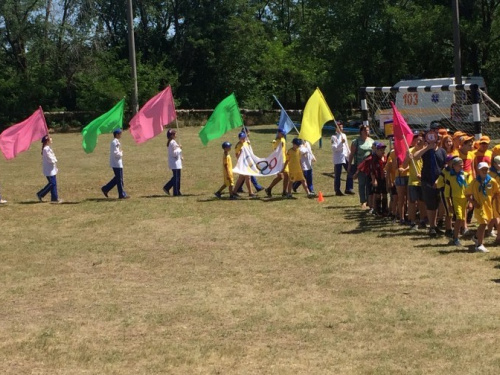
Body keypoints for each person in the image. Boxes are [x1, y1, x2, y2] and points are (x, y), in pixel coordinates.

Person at [413, 128, 447, 237]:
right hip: (427, 180)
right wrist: (427, 147)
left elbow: (444, 166)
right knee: (430, 204)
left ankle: (435, 225)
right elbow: (415, 157)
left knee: (437, 204)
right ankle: (431, 226)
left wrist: (439, 180)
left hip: (439, 181)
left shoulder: (442, 151)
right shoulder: (425, 150)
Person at [466, 162, 500, 252]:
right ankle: (479, 245)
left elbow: (497, 191)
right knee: (483, 224)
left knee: (485, 223)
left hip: (489, 207)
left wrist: (494, 201)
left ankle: (476, 237)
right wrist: (473, 202)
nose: (484, 171)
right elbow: (467, 194)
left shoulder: (492, 181)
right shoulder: (474, 182)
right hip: (479, 207)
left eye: (486, 169)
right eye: (482, 169)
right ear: (478, 170)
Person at [443, 157, 473, 247]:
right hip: (456, 199)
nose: (461, 167)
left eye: (462, 165)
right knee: (459, 218)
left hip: (465, 200)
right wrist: (450, 205)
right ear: (454, 166)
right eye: (459, 165)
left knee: (462, 218)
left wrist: (470, 201)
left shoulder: (466, 175)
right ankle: (456, 238)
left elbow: (470, 189)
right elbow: (447, 193)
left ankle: (455, 237)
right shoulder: (450, 177)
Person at [348, 125, 374, 209]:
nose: (367, 131)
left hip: (369, 166)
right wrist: (349, 165)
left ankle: (369, 201)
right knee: (362, 183)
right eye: (365, 130)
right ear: (361, 131)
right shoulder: (356, 142)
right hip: (360, 166)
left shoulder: (371, 141)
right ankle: (363, 201)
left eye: (368, 130)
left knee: (369, 183)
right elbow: (351, 154)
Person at [102, 129, 128, 199]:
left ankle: (105, 189)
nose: (121, 135)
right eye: (120, 134)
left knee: (118, 178)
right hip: (116, 163)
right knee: (119, 179)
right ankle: (121, 194)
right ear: (117, 134)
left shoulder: (116, 142)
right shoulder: (115, 142)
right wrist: (121, 153)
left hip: (117, 163)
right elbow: (116, 153)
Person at [37, 135, 62, 203]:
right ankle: (40, 194)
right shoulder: (46, 149)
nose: (51, 139)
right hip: (49, 169)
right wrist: (55, 160)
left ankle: (54, 198)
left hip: (52, 169)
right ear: (47, 140)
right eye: (50, 138)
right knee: (52, 183)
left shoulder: (48, 148)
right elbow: (49, 158)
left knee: (54, 183)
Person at [331, 122, 354, 196]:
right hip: (338, 158)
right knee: (338, 174)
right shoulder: (333, 137)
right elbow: (334, 148)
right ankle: (337, 190)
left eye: (342, 127)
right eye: (340, 127)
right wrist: (341, 143)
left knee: (350, 171)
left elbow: (346, 145)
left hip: (345, 157)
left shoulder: (344, 135)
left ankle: (348, 188)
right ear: (336, 128)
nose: (341, 129)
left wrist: (349, 153)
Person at [265, 128, 288, 197]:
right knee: (281, 176)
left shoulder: (283, 139)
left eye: (283, 133)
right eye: (281, 133)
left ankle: (284, 191)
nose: (283, 134)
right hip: (279, 161)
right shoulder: (276, 141)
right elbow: (275, 152)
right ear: (278, 133)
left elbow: (284, 150)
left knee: (286, 176)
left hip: (284, 160)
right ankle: (269, 188)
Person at [232, 131, 256, 198]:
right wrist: (241, 152)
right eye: (242, 138)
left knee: (241, 178)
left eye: (244, 138)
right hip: (243, 163)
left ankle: (234, 191)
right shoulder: (238, 145)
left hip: (247, 162)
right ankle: (251, 192)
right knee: (248, 177)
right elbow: (237, 155)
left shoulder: (246, 142)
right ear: (239, 139)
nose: (243, 139)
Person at [163, 128, 183, 196]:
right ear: (172, 135)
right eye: (174, 133)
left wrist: (180, 156)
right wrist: (180, 149)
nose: (175, 134)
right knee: (176, 178)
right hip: (175, 163)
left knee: (176, 177)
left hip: (175, 162)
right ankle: (176, 192)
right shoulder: (172, 142)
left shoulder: (172, 142)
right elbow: (174, 153)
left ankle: (169, 188)